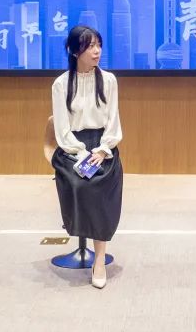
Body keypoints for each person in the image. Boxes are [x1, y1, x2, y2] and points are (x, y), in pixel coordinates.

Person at [51, 25, 124, 290]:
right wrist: (82, 153)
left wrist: (103, 150)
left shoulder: (109, 80)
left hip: (103, 147)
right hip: (73, 149)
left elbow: (113, 122)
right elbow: (62, 129)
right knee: (82, 184)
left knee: (100, 186)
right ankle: (80, 234)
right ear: (74, 51)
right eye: (90, 46)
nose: (97, 51)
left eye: (98, 45)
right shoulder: (61, 84)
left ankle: (100, 260)